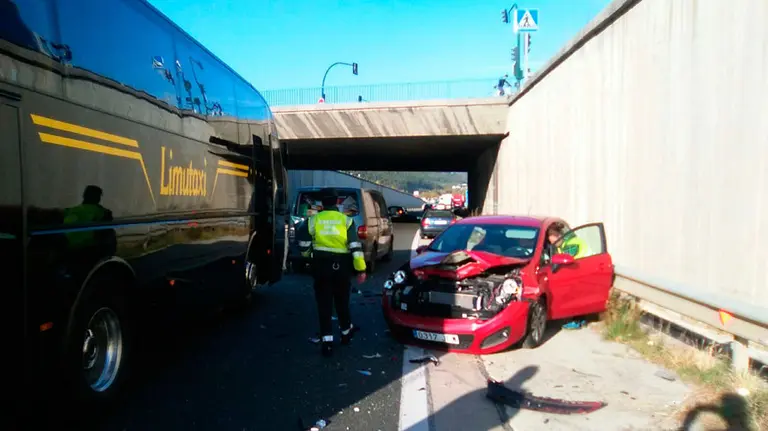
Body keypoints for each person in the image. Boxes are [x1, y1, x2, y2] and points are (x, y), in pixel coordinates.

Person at [296, 188, 367, 357]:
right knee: (342, 301)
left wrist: (308, 256)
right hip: (342, 266)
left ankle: (327, 341)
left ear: (322, 202)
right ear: (337, 202)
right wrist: (361, 269)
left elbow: (303, 242)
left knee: (324, 303)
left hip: (320, 265)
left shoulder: (313, 220)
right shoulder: (346, 221)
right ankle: (345, 333)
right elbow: (355, 247)